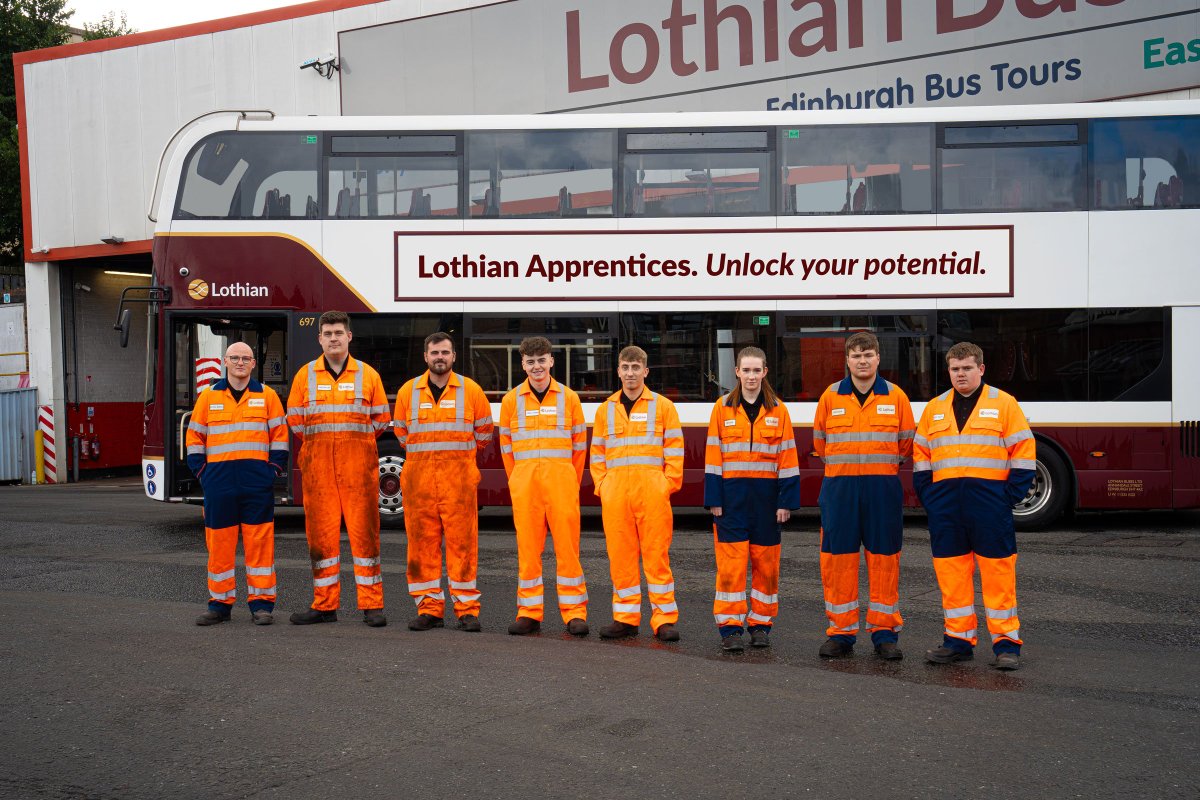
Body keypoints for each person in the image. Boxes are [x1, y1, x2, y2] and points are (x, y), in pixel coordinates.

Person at [913, 342, 1035, 671]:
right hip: (946, 509)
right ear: (948, 371)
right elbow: (921, 458)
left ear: (981, 369)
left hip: (989, 507)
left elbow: (1024, 453)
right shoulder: (935, 408)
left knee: (998, 575)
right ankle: (958, 641)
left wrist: (1005, 498)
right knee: (952, 577)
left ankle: (1006, 644)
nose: (961, 374)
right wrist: (931, 498)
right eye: (955, 369)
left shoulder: (1004, 404)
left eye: (967, 368)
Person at [812, 332, 916, 660]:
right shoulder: (830, 397)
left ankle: (884, 632)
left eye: (868, 354)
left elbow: (905, 445)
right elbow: (820, 443)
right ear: (846, 360)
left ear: (878, 359)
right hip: (840, 490)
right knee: (837, 562)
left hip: (881, 489)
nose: (862, 361)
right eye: (856, 355)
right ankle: (841, 632)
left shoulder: (896, 396)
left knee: (884, 560)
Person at [286, 311, 392, 627]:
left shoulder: (368, 375)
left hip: (358, 469)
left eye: (338, 332)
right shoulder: (304, 376)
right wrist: (324, 446)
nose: (333, 338)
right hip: (318, 471)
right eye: (328, 333)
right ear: (319, 338)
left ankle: (372, 605)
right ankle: (324, 605)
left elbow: (381, 420)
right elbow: (295, 421)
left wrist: (349, 445)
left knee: (366, 538)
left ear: (349, 337)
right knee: (321, 539)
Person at [394, 332, 494, 632]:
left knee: (463, 546)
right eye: (435, 353)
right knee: (421, 547)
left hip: (458, 483)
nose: (440, 357)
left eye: (445, 353)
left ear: (454, 357)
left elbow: (485, 434)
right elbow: (401, 435)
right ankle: (430, 609)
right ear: (426, 356)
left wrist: (457, 464)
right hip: (419, 483)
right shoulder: (407, 392)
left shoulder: (471, 391)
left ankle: (466, 610)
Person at [704, 346, 800, 652]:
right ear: (737, 373)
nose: (751, 376)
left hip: (767, 504)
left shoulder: (779, 410)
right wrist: (713, 499)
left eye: (756, 370)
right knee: (730, 568)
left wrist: (786, 502)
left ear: (765, 372)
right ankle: (730, 627)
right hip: (730, 502)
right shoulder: (722, 408)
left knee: (766, 568)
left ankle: (761, 624)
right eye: (746, 370)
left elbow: (788, 458)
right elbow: (712, 457)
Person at [188, 342, 289, 625]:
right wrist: (202, 474)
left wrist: (271, 471)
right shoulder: (208, 397)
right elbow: (194, 438)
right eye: (235, 358)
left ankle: (261, 604)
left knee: (260, 545)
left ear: (254, 363)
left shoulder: (267, 396)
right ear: (225, 361)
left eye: (245, 358)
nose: (240, 362)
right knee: (219, 545)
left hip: (256, 484)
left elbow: (280, 437)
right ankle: (219, 604)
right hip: (218, 484)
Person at [590, 345, 684, 642]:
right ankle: (626, 619)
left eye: (636, 368)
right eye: (625, 368)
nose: (630, 373)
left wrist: (665, 485)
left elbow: (675, 452)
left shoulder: (663, 406)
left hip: (652, 495)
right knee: (621, 559)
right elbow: (597, 455)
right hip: (616, 495)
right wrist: (604, 486)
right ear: (618, 371)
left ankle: (664, 620)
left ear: (645, 371)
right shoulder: (605, 409)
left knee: (656, 558)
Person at [498, 336, 590, 636]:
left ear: (551, 361)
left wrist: (568, 479)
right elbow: (506, 447)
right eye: (530, 361)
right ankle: (529, 612)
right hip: (525, 487)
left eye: (541, 360)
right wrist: (517, 479)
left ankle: (574, 613)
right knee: (527, 551)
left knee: (568, 550)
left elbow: (580, 447)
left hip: (561, 485)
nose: (536, 366)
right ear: (522, 364)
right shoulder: (511, 400)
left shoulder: (569, 398)